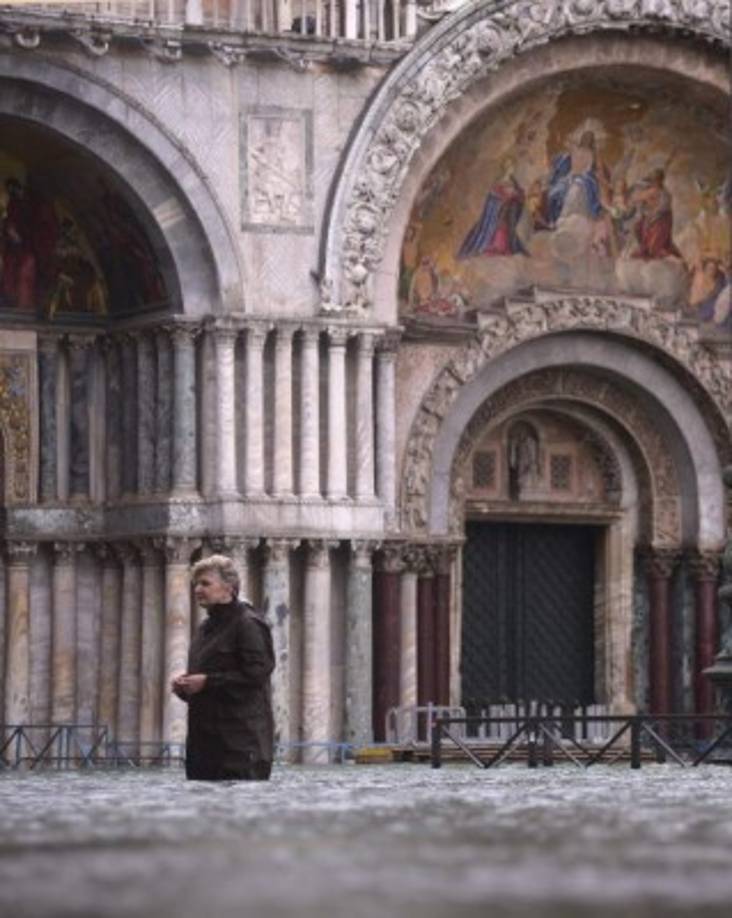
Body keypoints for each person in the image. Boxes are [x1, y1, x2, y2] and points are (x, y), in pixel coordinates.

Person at [171, 554, 275, 781]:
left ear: (229, 588)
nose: (198, 589)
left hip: (240, 746)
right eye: (196, 584)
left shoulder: (248, 623)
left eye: (205, 583)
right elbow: (210, 684)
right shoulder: (205, 628)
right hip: (204, 748)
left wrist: (207, 681)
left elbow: (257, 674)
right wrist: (185, 686)